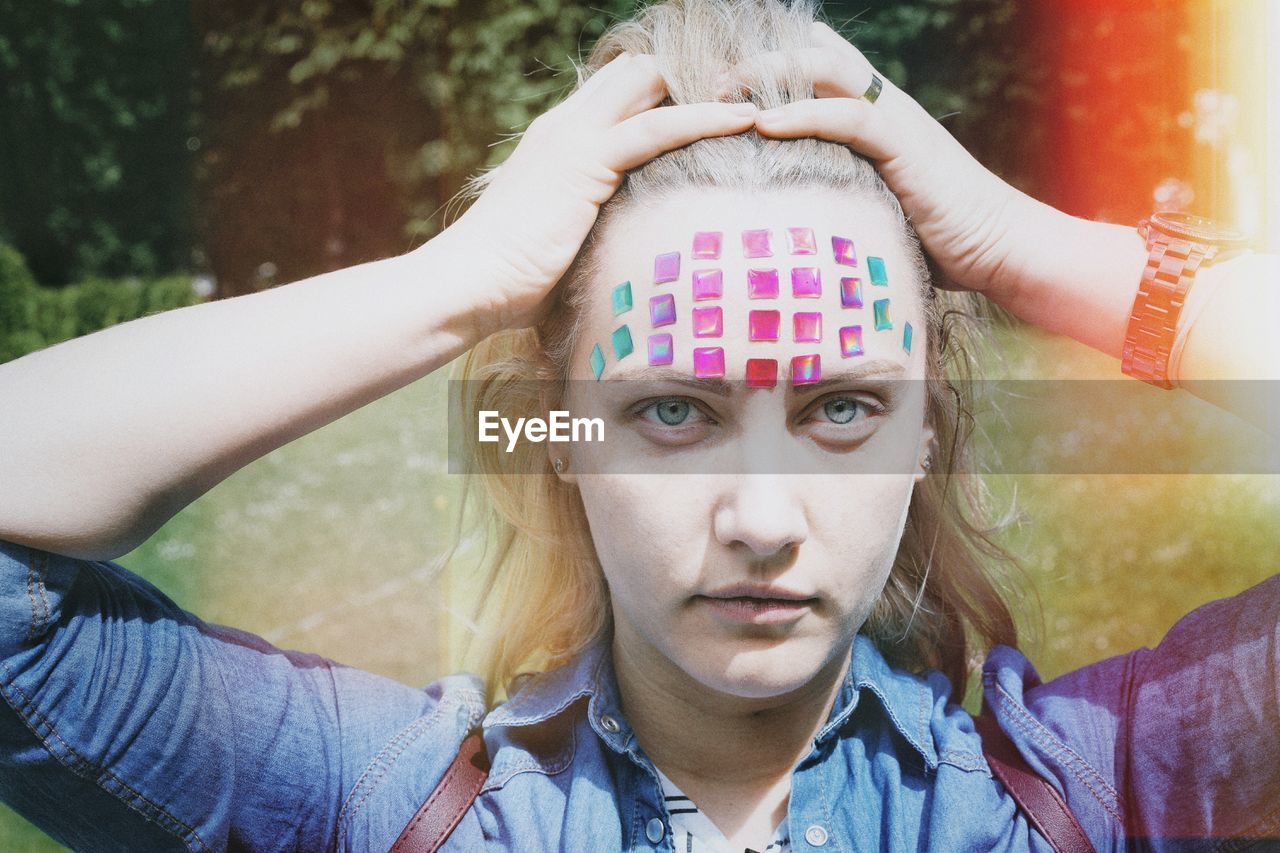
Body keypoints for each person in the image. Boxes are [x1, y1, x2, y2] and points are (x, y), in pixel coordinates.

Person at [0, 0, 1276, 850]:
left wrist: (1027, 247)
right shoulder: (394, 808)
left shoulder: (1081, 794)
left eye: (842, 407)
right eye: (672, 408)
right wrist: (451, 278)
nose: (762, 519)